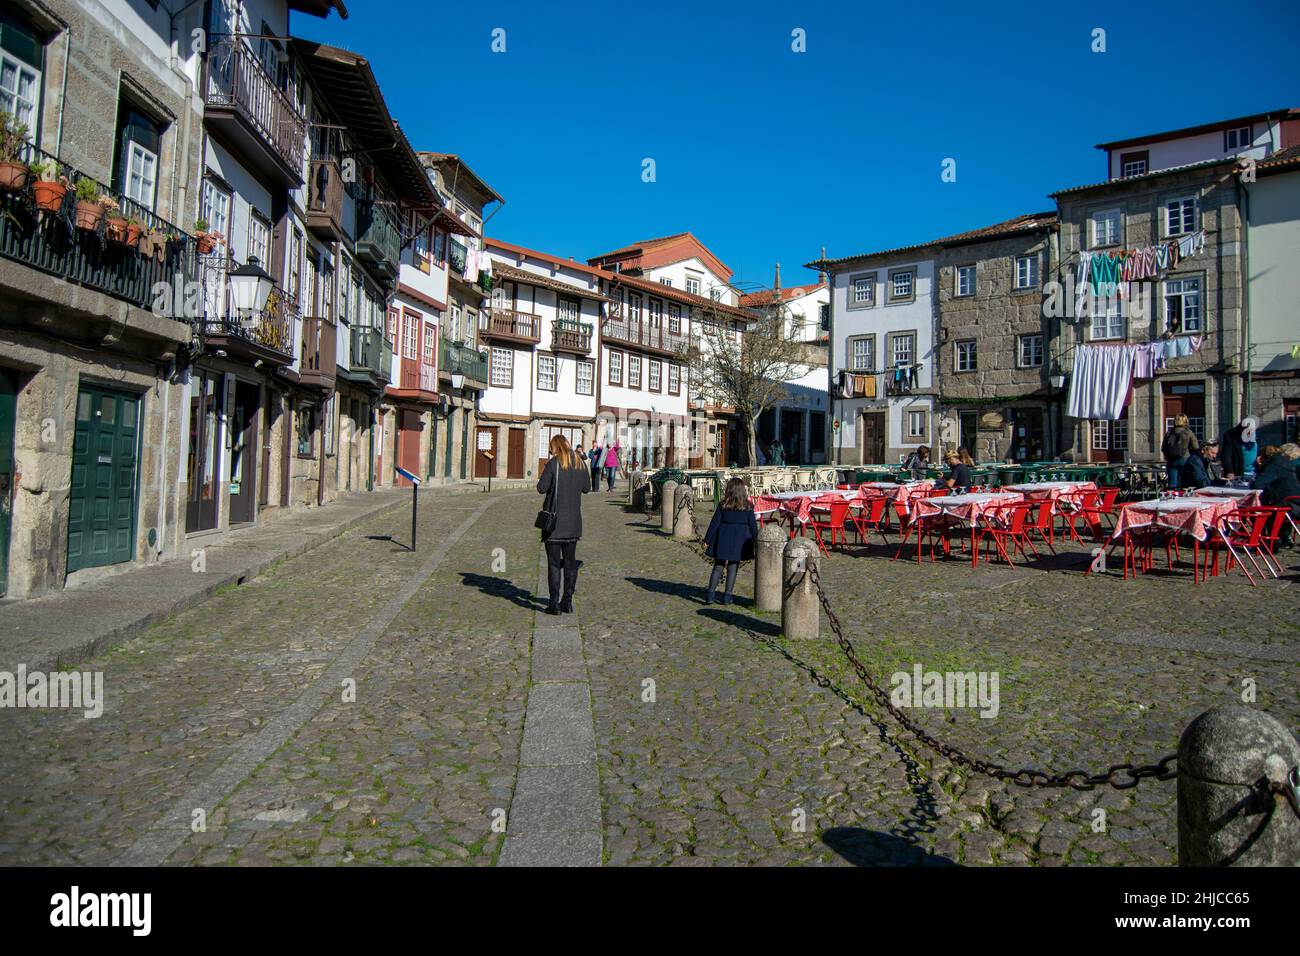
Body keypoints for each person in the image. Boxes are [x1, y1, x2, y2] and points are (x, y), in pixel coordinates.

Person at [536, 434, 592, 615]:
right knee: (570, 563)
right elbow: (586, 488)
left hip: (554, 524)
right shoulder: (580, 464)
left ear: (554, 447)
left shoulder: (553, 464)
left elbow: (541, 488)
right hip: (574, 522)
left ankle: (554, 604)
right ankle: (567, 601)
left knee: (553, 565)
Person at [702, 477, 759, 605]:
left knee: (718, 567)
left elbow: (714, 523)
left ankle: (710, 595)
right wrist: (757, 541)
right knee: (733, 567)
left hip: (723, 538)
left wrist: (707, 539)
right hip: (739, 541)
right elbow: (753, 526)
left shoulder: (723, 505)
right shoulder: (748, 506)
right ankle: (727, 597)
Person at [1252, 443, 1300, 543]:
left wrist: (1260, 468)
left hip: (1289, 505)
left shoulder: (1276, 466)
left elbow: (1258, 484)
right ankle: (1281, 538)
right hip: (1295, 502)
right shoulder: (1288, 466)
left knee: (1261, 509)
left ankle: (1263, 539)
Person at [1160, 414, 1198, 490]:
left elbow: (1163, 448)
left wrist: (1168, 458)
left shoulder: (1169, 433)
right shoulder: (1188, 432)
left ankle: (1172, 497)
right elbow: (1196, 447)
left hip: (1172, 461)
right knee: (1185, 482)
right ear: (1185, 421)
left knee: (1172, 483)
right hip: (1185, 459)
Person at [1220, 417, 1258, 482]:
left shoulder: (1254, 434)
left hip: (1254, 473)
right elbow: (1226, 455)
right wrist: (1230, 471)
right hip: (1239, 474)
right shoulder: (1231, 435)